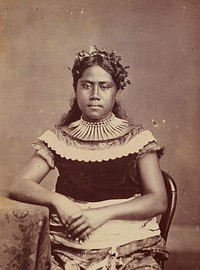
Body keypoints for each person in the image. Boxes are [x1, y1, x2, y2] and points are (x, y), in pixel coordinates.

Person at [9, 46, 168, 269]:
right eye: (86, 85)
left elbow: (158, 200)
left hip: (129, 245)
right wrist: (58, 200)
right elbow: (19, 185)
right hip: (68, 245)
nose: (94, 95)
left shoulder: (137, 138)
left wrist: (101, 215)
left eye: (104, 86)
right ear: (75, 88)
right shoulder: (59, 138)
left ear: (116, 91)